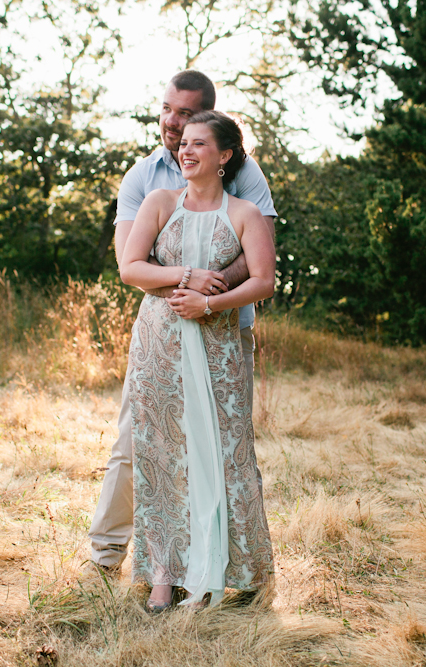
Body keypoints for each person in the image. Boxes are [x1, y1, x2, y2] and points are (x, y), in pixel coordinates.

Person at [88, 70, 277, 573]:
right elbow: (131, 261)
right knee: (137, 442)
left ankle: (218, 565)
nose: (173, 123)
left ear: (210, 118)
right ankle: (108, 555)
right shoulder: (143, 178)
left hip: (225, 331)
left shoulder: (244, 173)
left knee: (222, 445)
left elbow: (260, 251)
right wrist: (186, 282)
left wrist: (212, 293)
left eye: (187, 115)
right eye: (168, 109)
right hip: (163, 331)